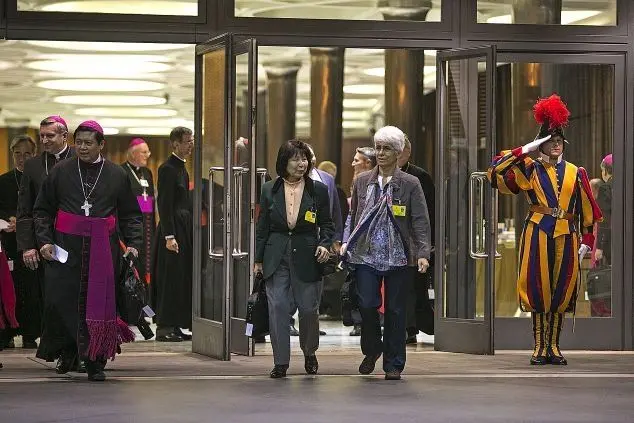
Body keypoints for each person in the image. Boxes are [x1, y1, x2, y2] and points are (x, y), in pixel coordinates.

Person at [487, 94, 602, 366]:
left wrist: (586, 240)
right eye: (550, 141)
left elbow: (588, 210)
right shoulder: (530, 168)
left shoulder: (576, 172)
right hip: (537, 231)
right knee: (538, 288)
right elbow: (495, 172)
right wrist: (524, 150)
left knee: (562, 289)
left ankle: (554, 346)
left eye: (559, 140)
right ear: (541, 144)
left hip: (568, 234)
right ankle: (539, 346)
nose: (556, 145)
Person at [33, 120, 142, 381]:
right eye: (79, 142)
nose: (82, 147)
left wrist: (134, 244)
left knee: (99, 303)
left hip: (103, 248)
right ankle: (68, 352)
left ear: (101, 144)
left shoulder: (117, 174)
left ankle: (95, 361)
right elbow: (42, 210)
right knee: (63, 301)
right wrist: (44, 241)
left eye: (88, 143)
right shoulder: (60, 171)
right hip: (66, 247)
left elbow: (131, 214)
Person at [342, 125, 431, 381]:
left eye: (387, 149)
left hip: (399, 256)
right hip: (366, 254)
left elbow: (420, 220)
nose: (381, 153)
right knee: (366, 305)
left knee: (396, 311)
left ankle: (394, 364)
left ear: (398, 152)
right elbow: (353, 216)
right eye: (378, 148)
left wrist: (422, 252)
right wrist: (346, 242)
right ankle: (372, 349)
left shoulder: (411, 183)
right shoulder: (362, 181)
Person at [254, 139, 334, 379]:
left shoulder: (317, 189)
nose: (302, 164)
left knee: (308, 309)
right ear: (284, 162)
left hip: (307, 255)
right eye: (296, 159)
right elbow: (262, 227)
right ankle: (280, 362)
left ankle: (309, 351)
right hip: (276, 255)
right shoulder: (269, 189)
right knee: (277, 307)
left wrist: (324, 244)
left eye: (304, 159)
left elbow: (327, 224)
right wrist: (258, 259)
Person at [153, 127, 194, 342]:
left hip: (183, 227)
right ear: (176, 143)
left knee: (180, 277)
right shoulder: (167, 169)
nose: (191, 145)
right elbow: (164, 204)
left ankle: (176, 324)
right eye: (187, 141)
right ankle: (164, 327)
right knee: (170, 278)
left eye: (191, 141)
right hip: (173, 230)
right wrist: (169, 236)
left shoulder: (181, 168)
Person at [0, 135, 40, 349]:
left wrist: (25, 222)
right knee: (9, 288)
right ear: (12, 154)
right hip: (8, 243)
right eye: (18, 154)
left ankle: (30, 333)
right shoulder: (3, 181)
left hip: (33, 243)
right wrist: (8, 219)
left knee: (31, 289)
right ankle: (6, 332)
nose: (22, 158)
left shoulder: (41, 181)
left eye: (27, 154)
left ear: (34, 154)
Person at [397, 135, 436, 344]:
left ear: (408, 152)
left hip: (415, 241)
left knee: (415, 287)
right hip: (391, 240)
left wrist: (428, 244)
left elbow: (429, 212)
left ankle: (411, 328)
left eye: (399, 149)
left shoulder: (420, 177)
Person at [121, 138, 156, 323]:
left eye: (148, 152)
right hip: (131, 228)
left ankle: (145, 309)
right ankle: (130, 311)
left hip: (147, 226)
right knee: (132, 268)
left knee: (146, 268)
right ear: (133, 153)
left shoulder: (147, 173)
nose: (147, 155)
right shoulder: (122, 172)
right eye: (144, 152)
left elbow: (151, 201)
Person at [345, 146, 376, 337]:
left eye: (357, 160)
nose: (353, 163)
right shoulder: (357, 181)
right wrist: (347, 239)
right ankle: (359, 321)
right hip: (359, 242)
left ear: (368, 163)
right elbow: (352, 214)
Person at [590, 155, 612, 317]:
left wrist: (599, 247)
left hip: (609, 242)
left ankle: (604, 313)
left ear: (605, 170)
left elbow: (605, 220)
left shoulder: (605, 188)